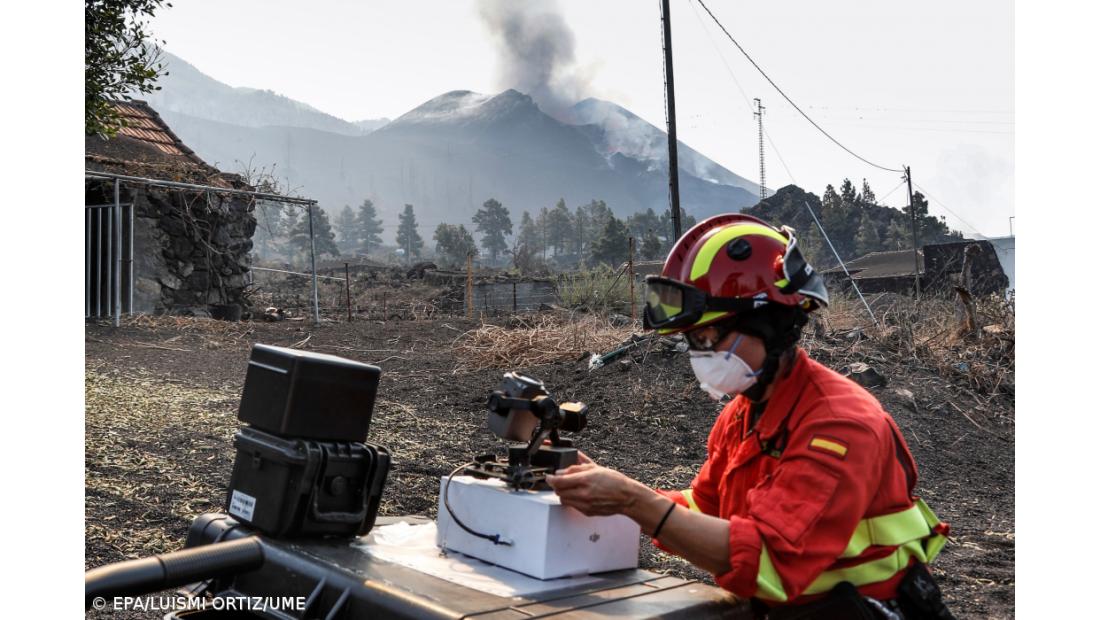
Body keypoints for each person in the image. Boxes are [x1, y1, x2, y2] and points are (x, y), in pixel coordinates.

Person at [546, 214, 953, 619]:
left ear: (769, 324)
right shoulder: (744, 413)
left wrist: (635, 501)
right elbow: (704, 507)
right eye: (693, 341)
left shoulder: (839, 425)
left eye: (710, 337)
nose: (701, 354)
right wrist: (610, 495)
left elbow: (768, 562)